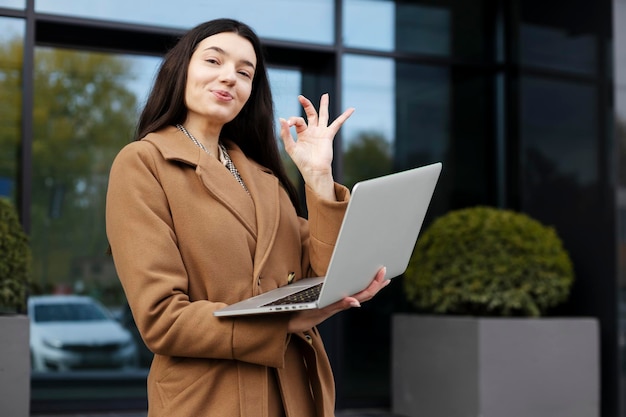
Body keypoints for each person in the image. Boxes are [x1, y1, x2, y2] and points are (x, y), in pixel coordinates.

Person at [105, 18, 389, 417]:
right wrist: (281, 325)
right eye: (214, 61)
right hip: (208, 401)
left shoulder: (265, 179)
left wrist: (318, 178)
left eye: (244, 72)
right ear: (181, 69)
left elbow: (322, 270)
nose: (229, 78)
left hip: (294, 396)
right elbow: (161, 319)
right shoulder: (144, 164)